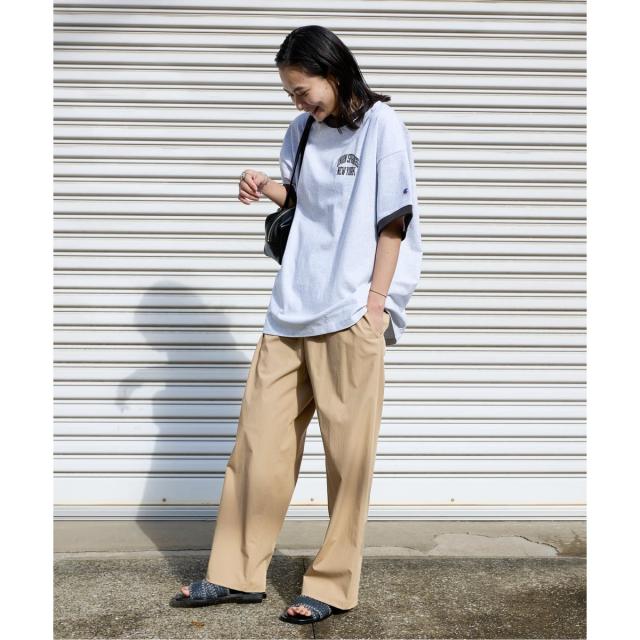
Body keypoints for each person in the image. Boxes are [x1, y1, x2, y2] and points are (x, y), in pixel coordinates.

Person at [170, 24, 422, 624]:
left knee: (348, 459)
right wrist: (266, 186)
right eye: (289, 93)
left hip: (350, 312)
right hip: (290, 309)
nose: (297, 101)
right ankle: (235, 574)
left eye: (302, 89)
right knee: (258, 445)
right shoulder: (301, 131)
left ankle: (332, 584)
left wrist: (377, 302)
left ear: (333, 72)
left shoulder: (383, 127)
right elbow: (307, 204)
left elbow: (394, 221)